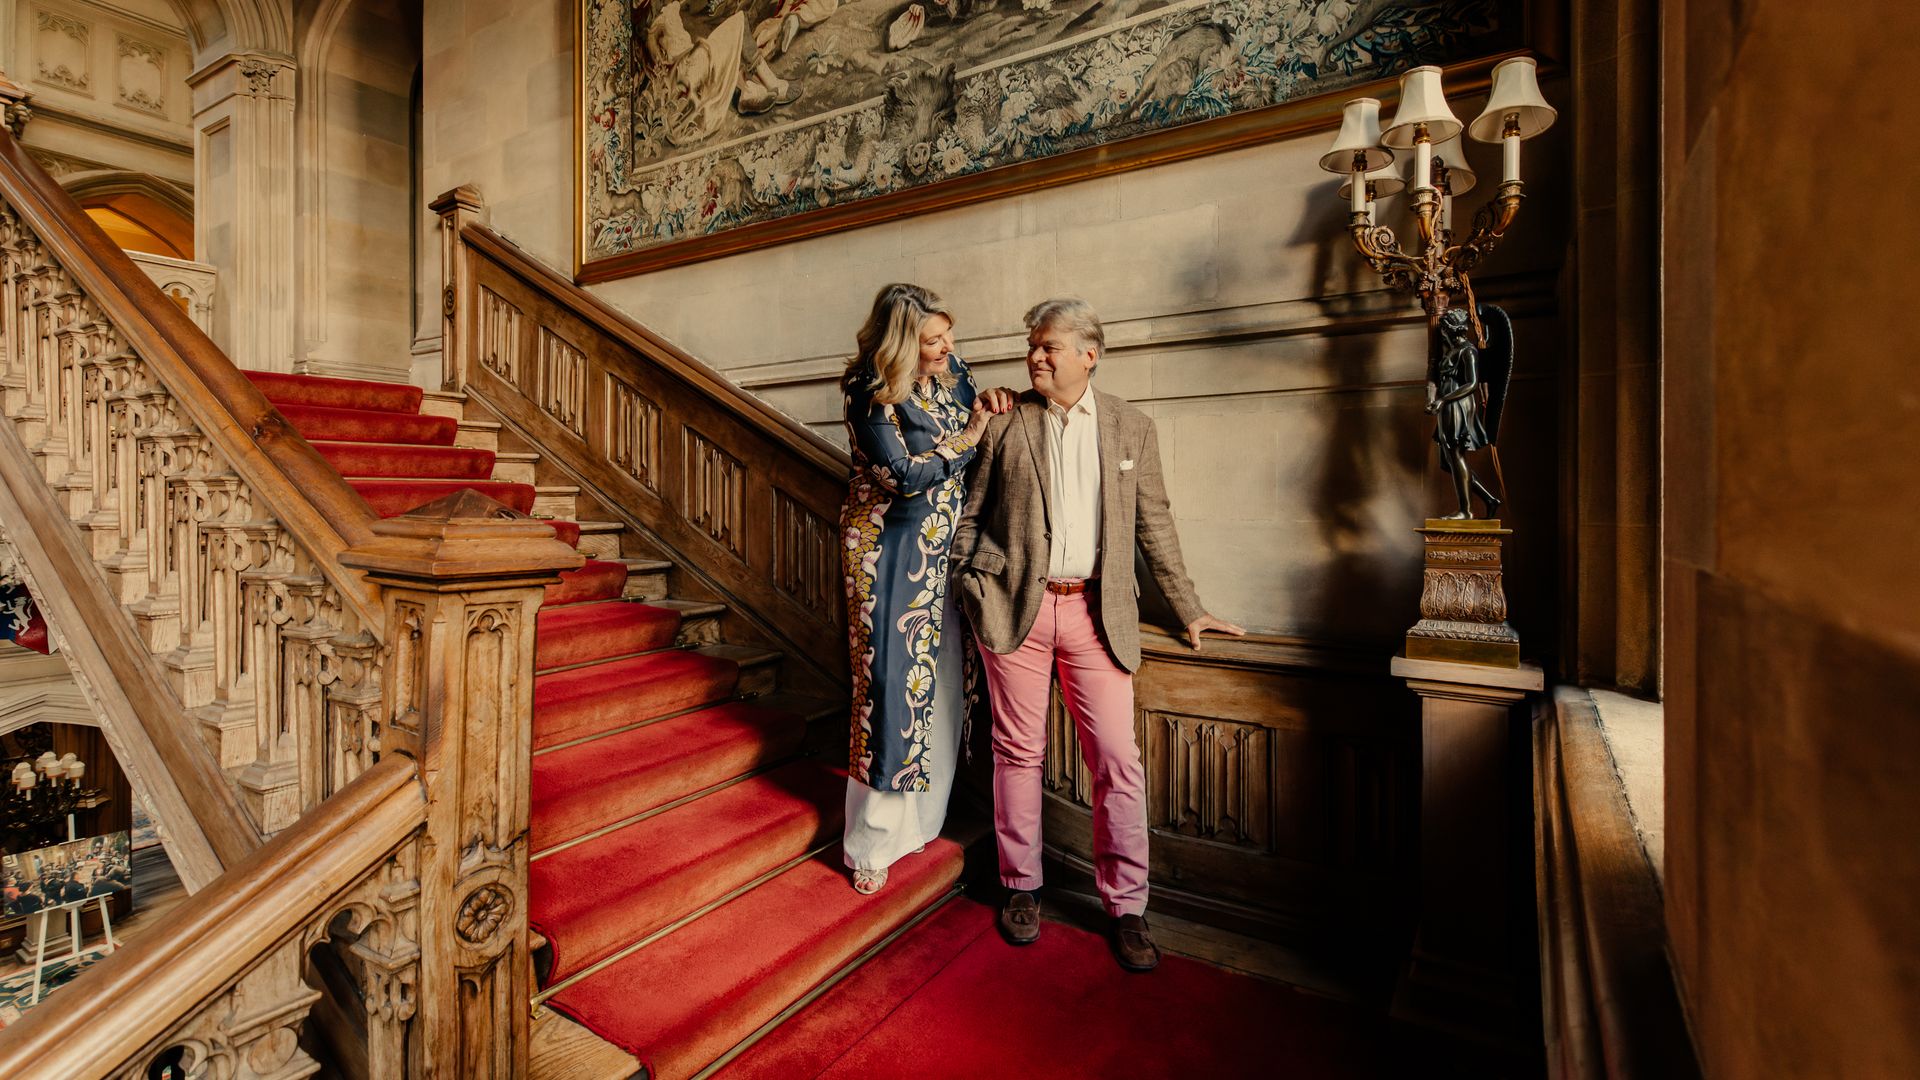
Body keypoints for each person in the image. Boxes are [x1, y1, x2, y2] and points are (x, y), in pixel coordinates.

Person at [953, 297, 1244, 971]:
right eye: (1032, 345)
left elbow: (1155, 527)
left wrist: (1188, 608)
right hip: (1014, 612)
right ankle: (1021, 888)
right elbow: (972, 518)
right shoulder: (1005, 421)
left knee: (1117, 760)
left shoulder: (1130, 427)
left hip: (1096, 613)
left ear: (1090, 353)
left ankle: (1128, 907)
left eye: (1049, 346)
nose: (1036, 357)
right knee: (1017, 753)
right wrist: (971, 585)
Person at [839, 283, 1013, 894]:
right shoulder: (868, 389)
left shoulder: (952, 371)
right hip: (887, 553)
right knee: (889, 690)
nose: (947, 348)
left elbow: (977, 407)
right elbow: (902, 475)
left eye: (949, 336)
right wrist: (968, 437)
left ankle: (921, 824)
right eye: (933, 340)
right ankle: (872, 843)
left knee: (938, 683)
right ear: (900, 341)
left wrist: (987, 400)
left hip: (945, 553)